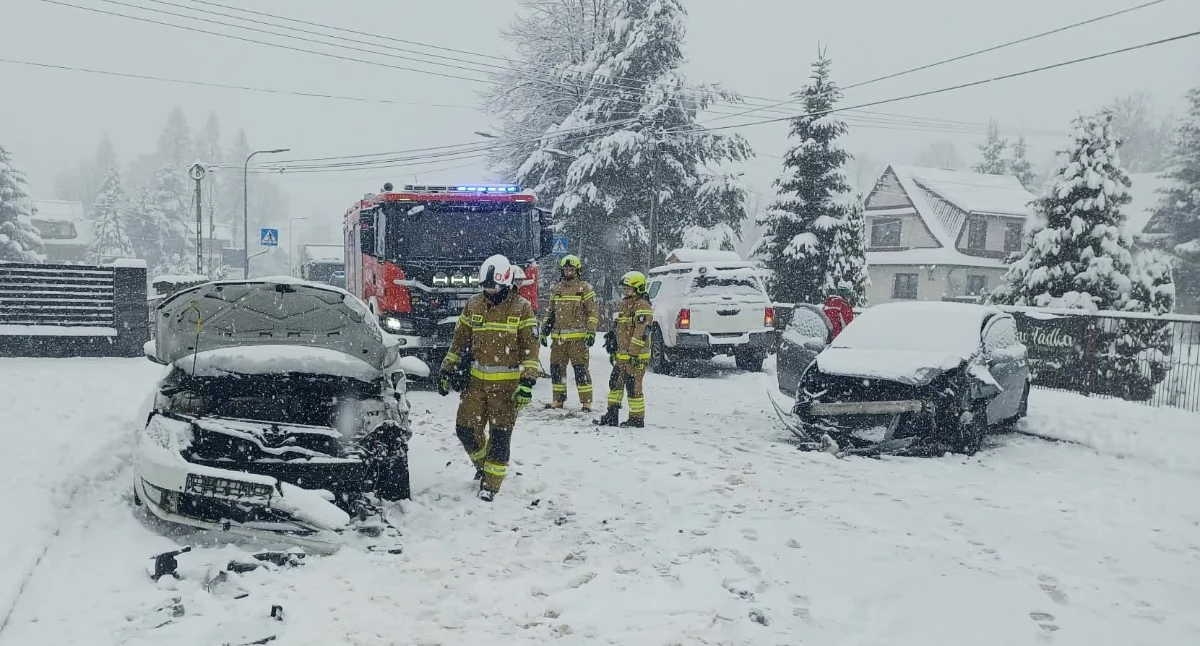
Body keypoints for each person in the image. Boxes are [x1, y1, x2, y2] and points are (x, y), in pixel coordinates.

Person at [437, 254, 540, 502]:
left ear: (506, 284)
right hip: (475, 383)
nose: (489, 291)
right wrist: (446, 369)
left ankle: (491, 485)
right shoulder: (473, 305)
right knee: (465, 429)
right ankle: (483, 467)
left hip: (506, 387)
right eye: (485, 286)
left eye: (493, 287)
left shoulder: (522, 308)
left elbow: (530, 349)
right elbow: (459, 342)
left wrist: (527, 383)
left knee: (500, 436)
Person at [540, 254, 600, 411]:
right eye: (566, 269)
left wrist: (591, 332)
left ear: (577, 271)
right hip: (558, 340)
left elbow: (593, 312)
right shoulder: (556, 289)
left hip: (577, 341)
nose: (568, 272)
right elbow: (550, 311)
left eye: (571, 269)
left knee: (580, 370)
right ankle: (558, 400)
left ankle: (586, 402)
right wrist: (544, 329)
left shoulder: (584, 289)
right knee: (556, 370)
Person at [596, 271, 654, 428]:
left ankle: (636, 418)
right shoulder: (624, 305)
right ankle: (612, 414)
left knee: (633, 387)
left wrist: (633, 354)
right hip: (622, 356)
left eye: (628, 288)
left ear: (638, 288)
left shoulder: (642, 306)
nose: (625, 291)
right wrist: (612, 344)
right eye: (624, 288)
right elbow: (619, 329)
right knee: (615, 383)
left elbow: (640, 333)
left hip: (636, 357)